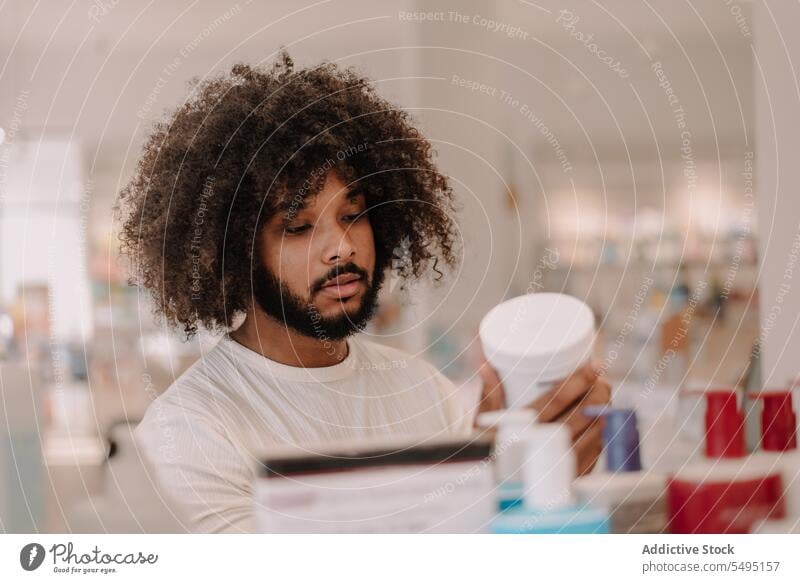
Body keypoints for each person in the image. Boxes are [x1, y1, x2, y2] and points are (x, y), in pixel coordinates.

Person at [119, 52, 610, 533]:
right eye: (298, 226)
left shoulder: (423, 389)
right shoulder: (189, 430)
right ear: (233, 254)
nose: (342, 247)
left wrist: (518, 474)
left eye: (353, 214)